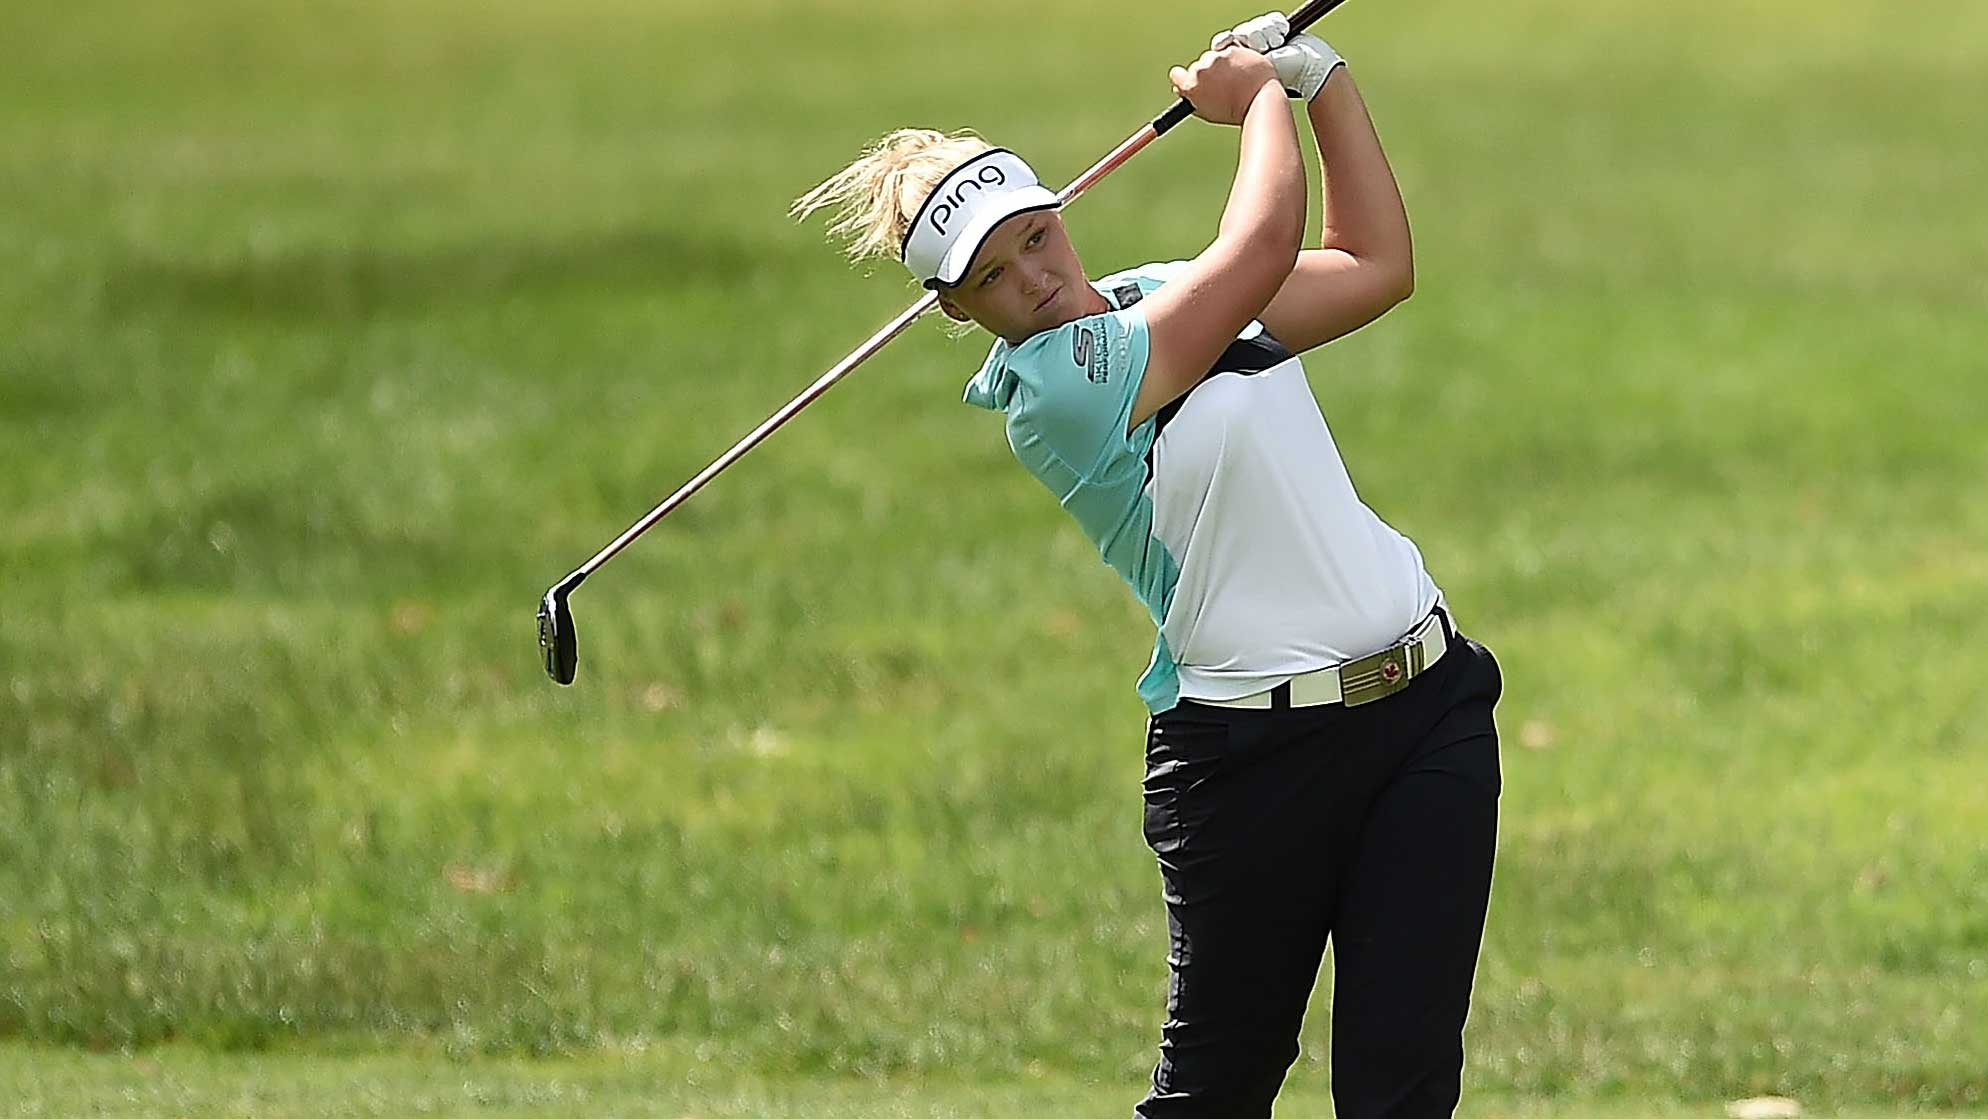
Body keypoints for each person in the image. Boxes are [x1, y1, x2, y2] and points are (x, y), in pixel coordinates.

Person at [794, 13, 1504, 1118]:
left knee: (1402, 1088)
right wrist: (1253, 100)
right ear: (956, 311)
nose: (1028, 278)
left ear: (1058, 212)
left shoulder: (1156, 295)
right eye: (989, 276)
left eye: (1032, 236)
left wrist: (1320, 83)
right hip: (1250, 758)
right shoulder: (1054, 394)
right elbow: (1262, 249)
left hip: (1425, 703)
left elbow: (1375, 267)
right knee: (1214, 1096)